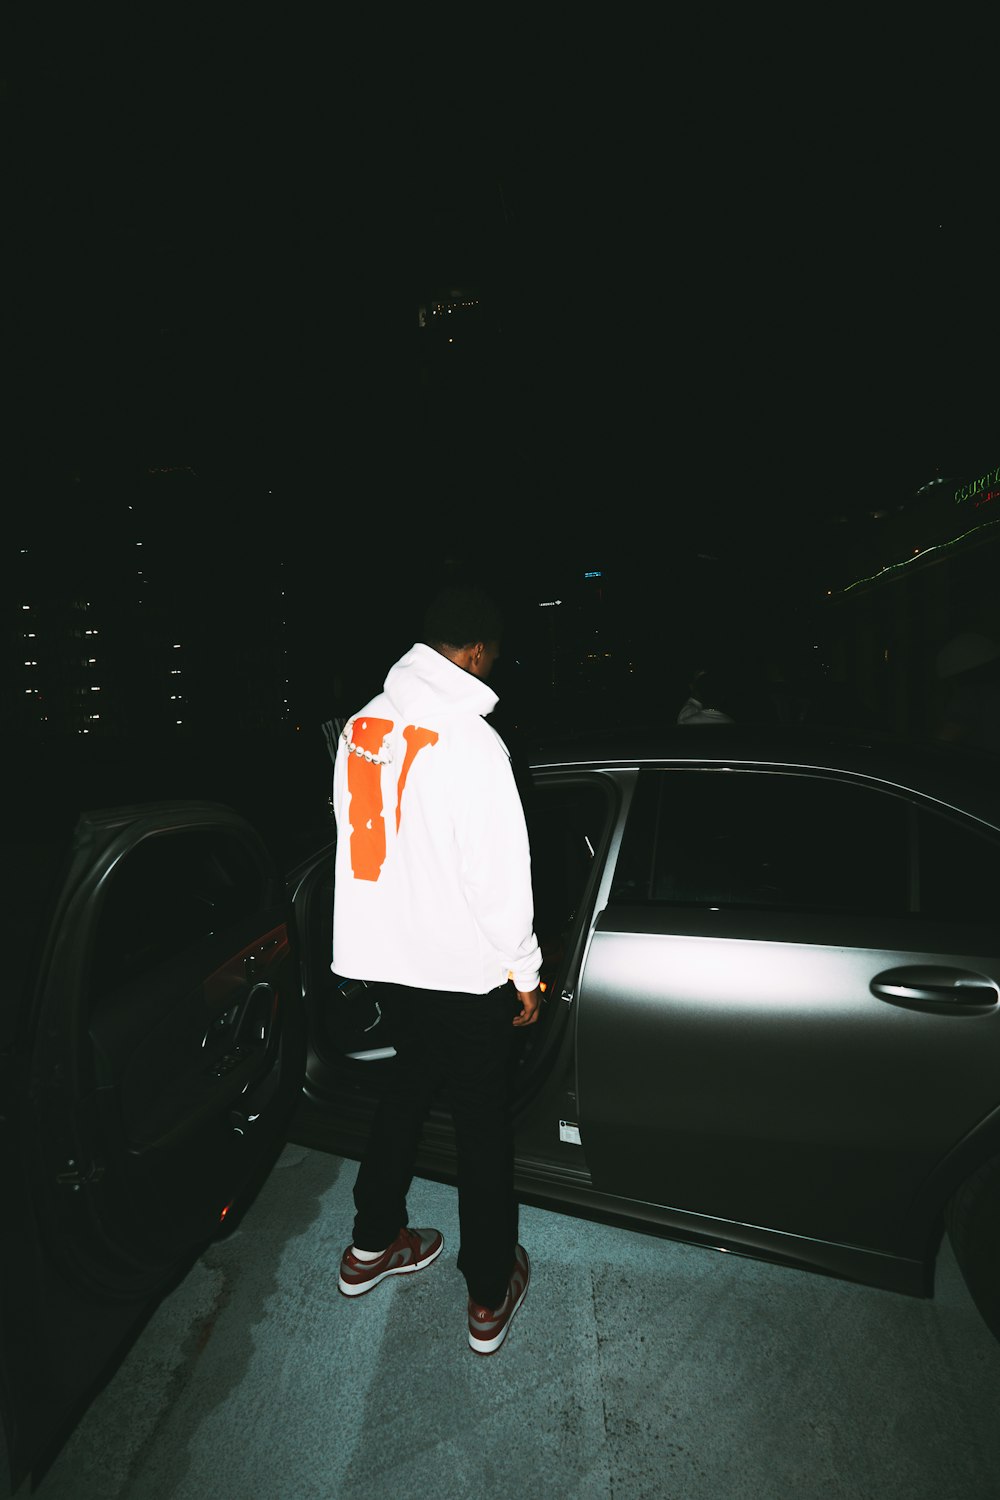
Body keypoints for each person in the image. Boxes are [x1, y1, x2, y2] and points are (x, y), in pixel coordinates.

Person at [330, 581, 542, 1355]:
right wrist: (526, 970)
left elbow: (360, 850)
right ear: (477, 651)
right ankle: (489, 1292)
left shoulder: (361, 727)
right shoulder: (469, 739)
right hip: (461, 973)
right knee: (482, 1127)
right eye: (494, 658)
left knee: (407, 1090)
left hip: (390, 967)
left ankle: (370, 1244)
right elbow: (499, 876)